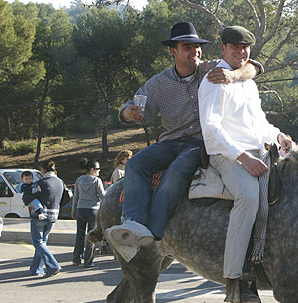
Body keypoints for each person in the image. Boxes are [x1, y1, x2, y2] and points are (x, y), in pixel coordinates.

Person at [105, 22, 263, 262]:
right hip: (170, 141)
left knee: (179, 168)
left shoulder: (210, 70)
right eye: (187, 47)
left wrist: (233, 75)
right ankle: (133, 223)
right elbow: (135, 108)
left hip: (200, 143)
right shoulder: (158, 83)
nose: (195, 52)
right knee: (136, 163)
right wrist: (127, 113)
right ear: (174, 51)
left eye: (197, 47)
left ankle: (155, 232)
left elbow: (254, 67)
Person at [199, 25, 293, 303]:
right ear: (223, 49)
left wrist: (277, 135)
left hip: (256, 150)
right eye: (235, 47)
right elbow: (212, 130)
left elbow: (258, 123)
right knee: (249, 197)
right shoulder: (214, 81)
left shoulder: (248, 83)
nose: (241, 52)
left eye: (245, 48)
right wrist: (243, 157)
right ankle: (235, 279)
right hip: (225, 155)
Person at [23, 160, 64, 278]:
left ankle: (53, 265)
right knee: (43, 242)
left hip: (40, 215)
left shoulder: (41, 183)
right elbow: (66, 197)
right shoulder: (60, 182)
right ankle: (36, 268)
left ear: (43, 170)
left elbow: (27, 198)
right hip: (54, 215)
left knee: (37, 242)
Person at [72, 158, 106, 267]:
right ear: (91, 169)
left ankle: (76, 259)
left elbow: (75, 197)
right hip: (93, 210)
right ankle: (88, 260)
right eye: (97, 169)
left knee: (80, 234)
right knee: (91, 235)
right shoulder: (97, 181)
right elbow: (102, 197)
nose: (99, 171)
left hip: (80, 209)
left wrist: (73, 211)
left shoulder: (79, 180)